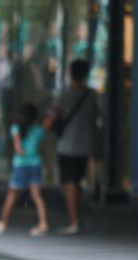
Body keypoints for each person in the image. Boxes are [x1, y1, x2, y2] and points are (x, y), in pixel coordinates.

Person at [46, 59, 98, 234]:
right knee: (76, 182)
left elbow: (50, 119)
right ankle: (76, 216)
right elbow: (94, 121)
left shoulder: (63, 95)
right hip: (84, 145)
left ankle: (74, 220)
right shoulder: (91, 96)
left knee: (69, 182)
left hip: (67, 146)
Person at [0, 104, 48, 237]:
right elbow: (41, 146)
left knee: (12, 195)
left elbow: (17, 147)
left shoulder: (16, 128)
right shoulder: (38, 130)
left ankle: (3, 223)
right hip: (35, 163)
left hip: (21, 164)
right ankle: (43, 223)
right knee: (37, 195)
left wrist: (19, 150)